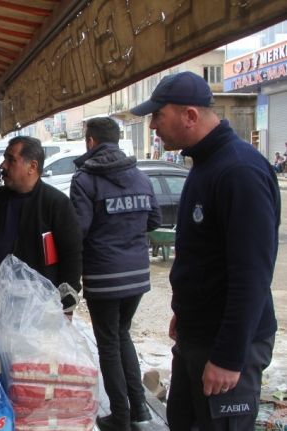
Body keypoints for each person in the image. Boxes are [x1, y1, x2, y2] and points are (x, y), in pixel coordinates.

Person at [131, 71, 280, 430]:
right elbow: (204, 255)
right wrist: (185, 313)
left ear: (190, 116)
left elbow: (252, 276)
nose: (153, 126)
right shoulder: (205, 164)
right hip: (197, 336)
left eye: (158, 116)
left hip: (227, 346)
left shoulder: (239, 170)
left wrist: (229, 356)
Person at [69, 117, 161, 430]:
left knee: (108, 343)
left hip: (103, 276)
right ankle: (138, 409)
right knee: (122, 335)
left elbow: (78, 230)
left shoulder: (85, 179)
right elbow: (153, 221)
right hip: (137, 276)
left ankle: (120, 416)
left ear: (91, 141)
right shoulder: (140, 176)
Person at [0, 136, 83, 316]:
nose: (3, 165)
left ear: (32, 167)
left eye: (11, 160)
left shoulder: (56, 204)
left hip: (37, 308)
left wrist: (67, 306)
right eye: (5, 158)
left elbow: (72, 256)